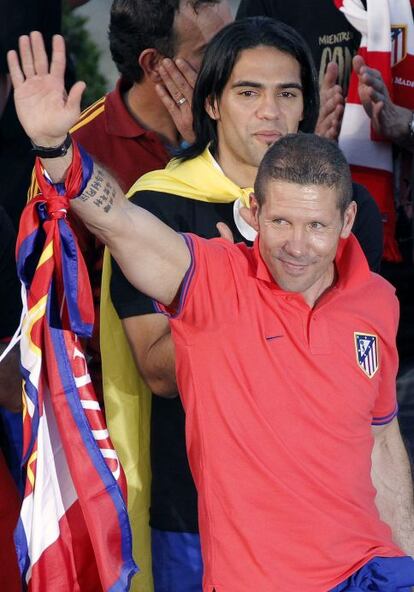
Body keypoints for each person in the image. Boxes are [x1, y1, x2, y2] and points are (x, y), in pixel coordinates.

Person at [8, 30, 414, 590]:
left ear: (346, 224)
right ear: (253, 212)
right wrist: (58, 151)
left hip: (373, 571)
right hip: (219, 543)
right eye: (280, 224)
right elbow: (119, 221)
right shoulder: (214, 273)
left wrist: (406, 558)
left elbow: (381, 436)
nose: (299, 245)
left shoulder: (375, 298)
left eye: (317, 225)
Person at [105, 16, 383, 591]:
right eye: (247, 92)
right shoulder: (161, 205)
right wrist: (249, 305)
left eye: (287, 93)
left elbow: (358, 364)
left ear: (307, 104)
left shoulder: (348, 210)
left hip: (330, 513)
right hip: (199, 507)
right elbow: (156, 370)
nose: (269, 111)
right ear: (211, 103)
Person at [27, 2, 232, 590]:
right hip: (130, 429)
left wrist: (208, 154)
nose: (227, 70)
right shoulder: (79, 146)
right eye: (206, 58)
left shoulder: (242, 134)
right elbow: (59, 306)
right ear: (155, 64)